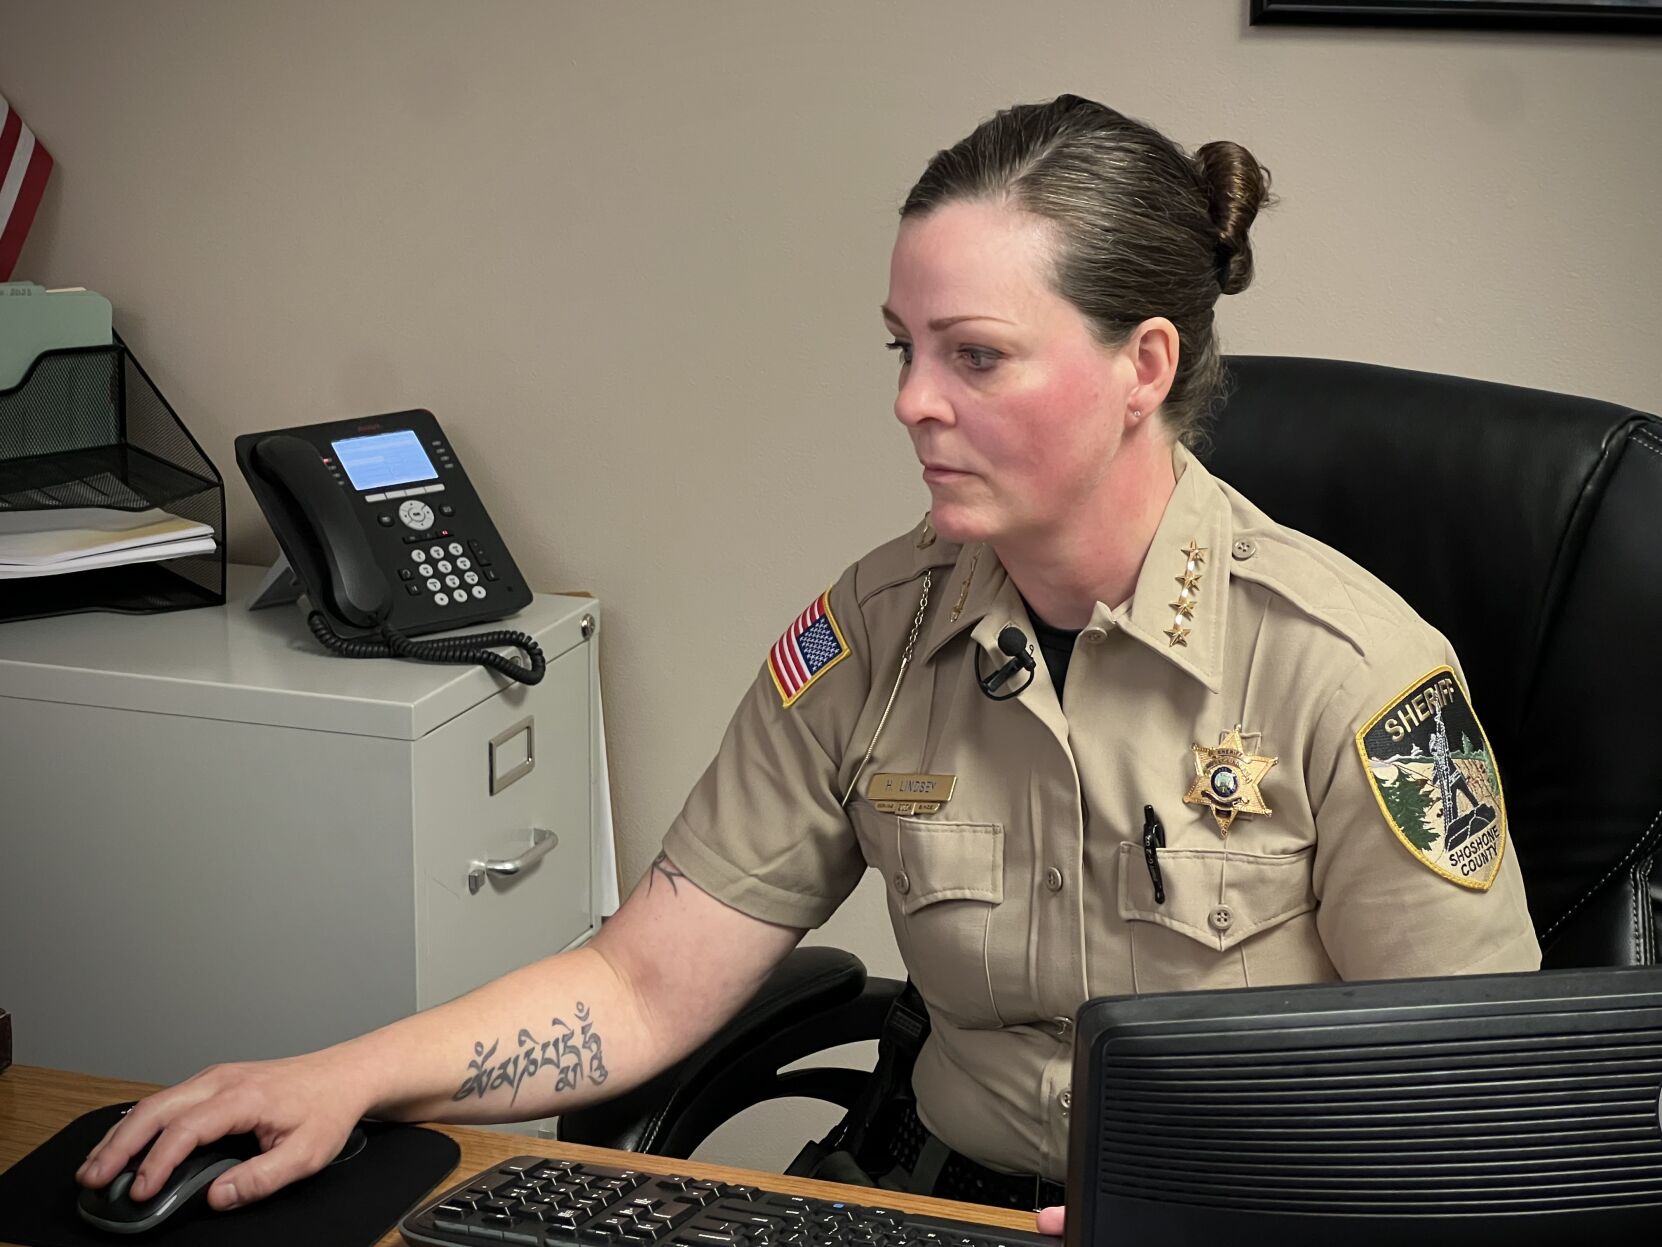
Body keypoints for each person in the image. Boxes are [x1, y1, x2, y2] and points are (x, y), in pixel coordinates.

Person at [75, 94, 1541, 1231]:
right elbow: (647, 986)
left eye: (974, 356)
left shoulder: (1352, 673)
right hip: (942, 1205)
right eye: (899, 348)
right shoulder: (876, 629)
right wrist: (338, 1077)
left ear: (1142, 367)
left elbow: (1475, 1109)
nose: (911, 403)